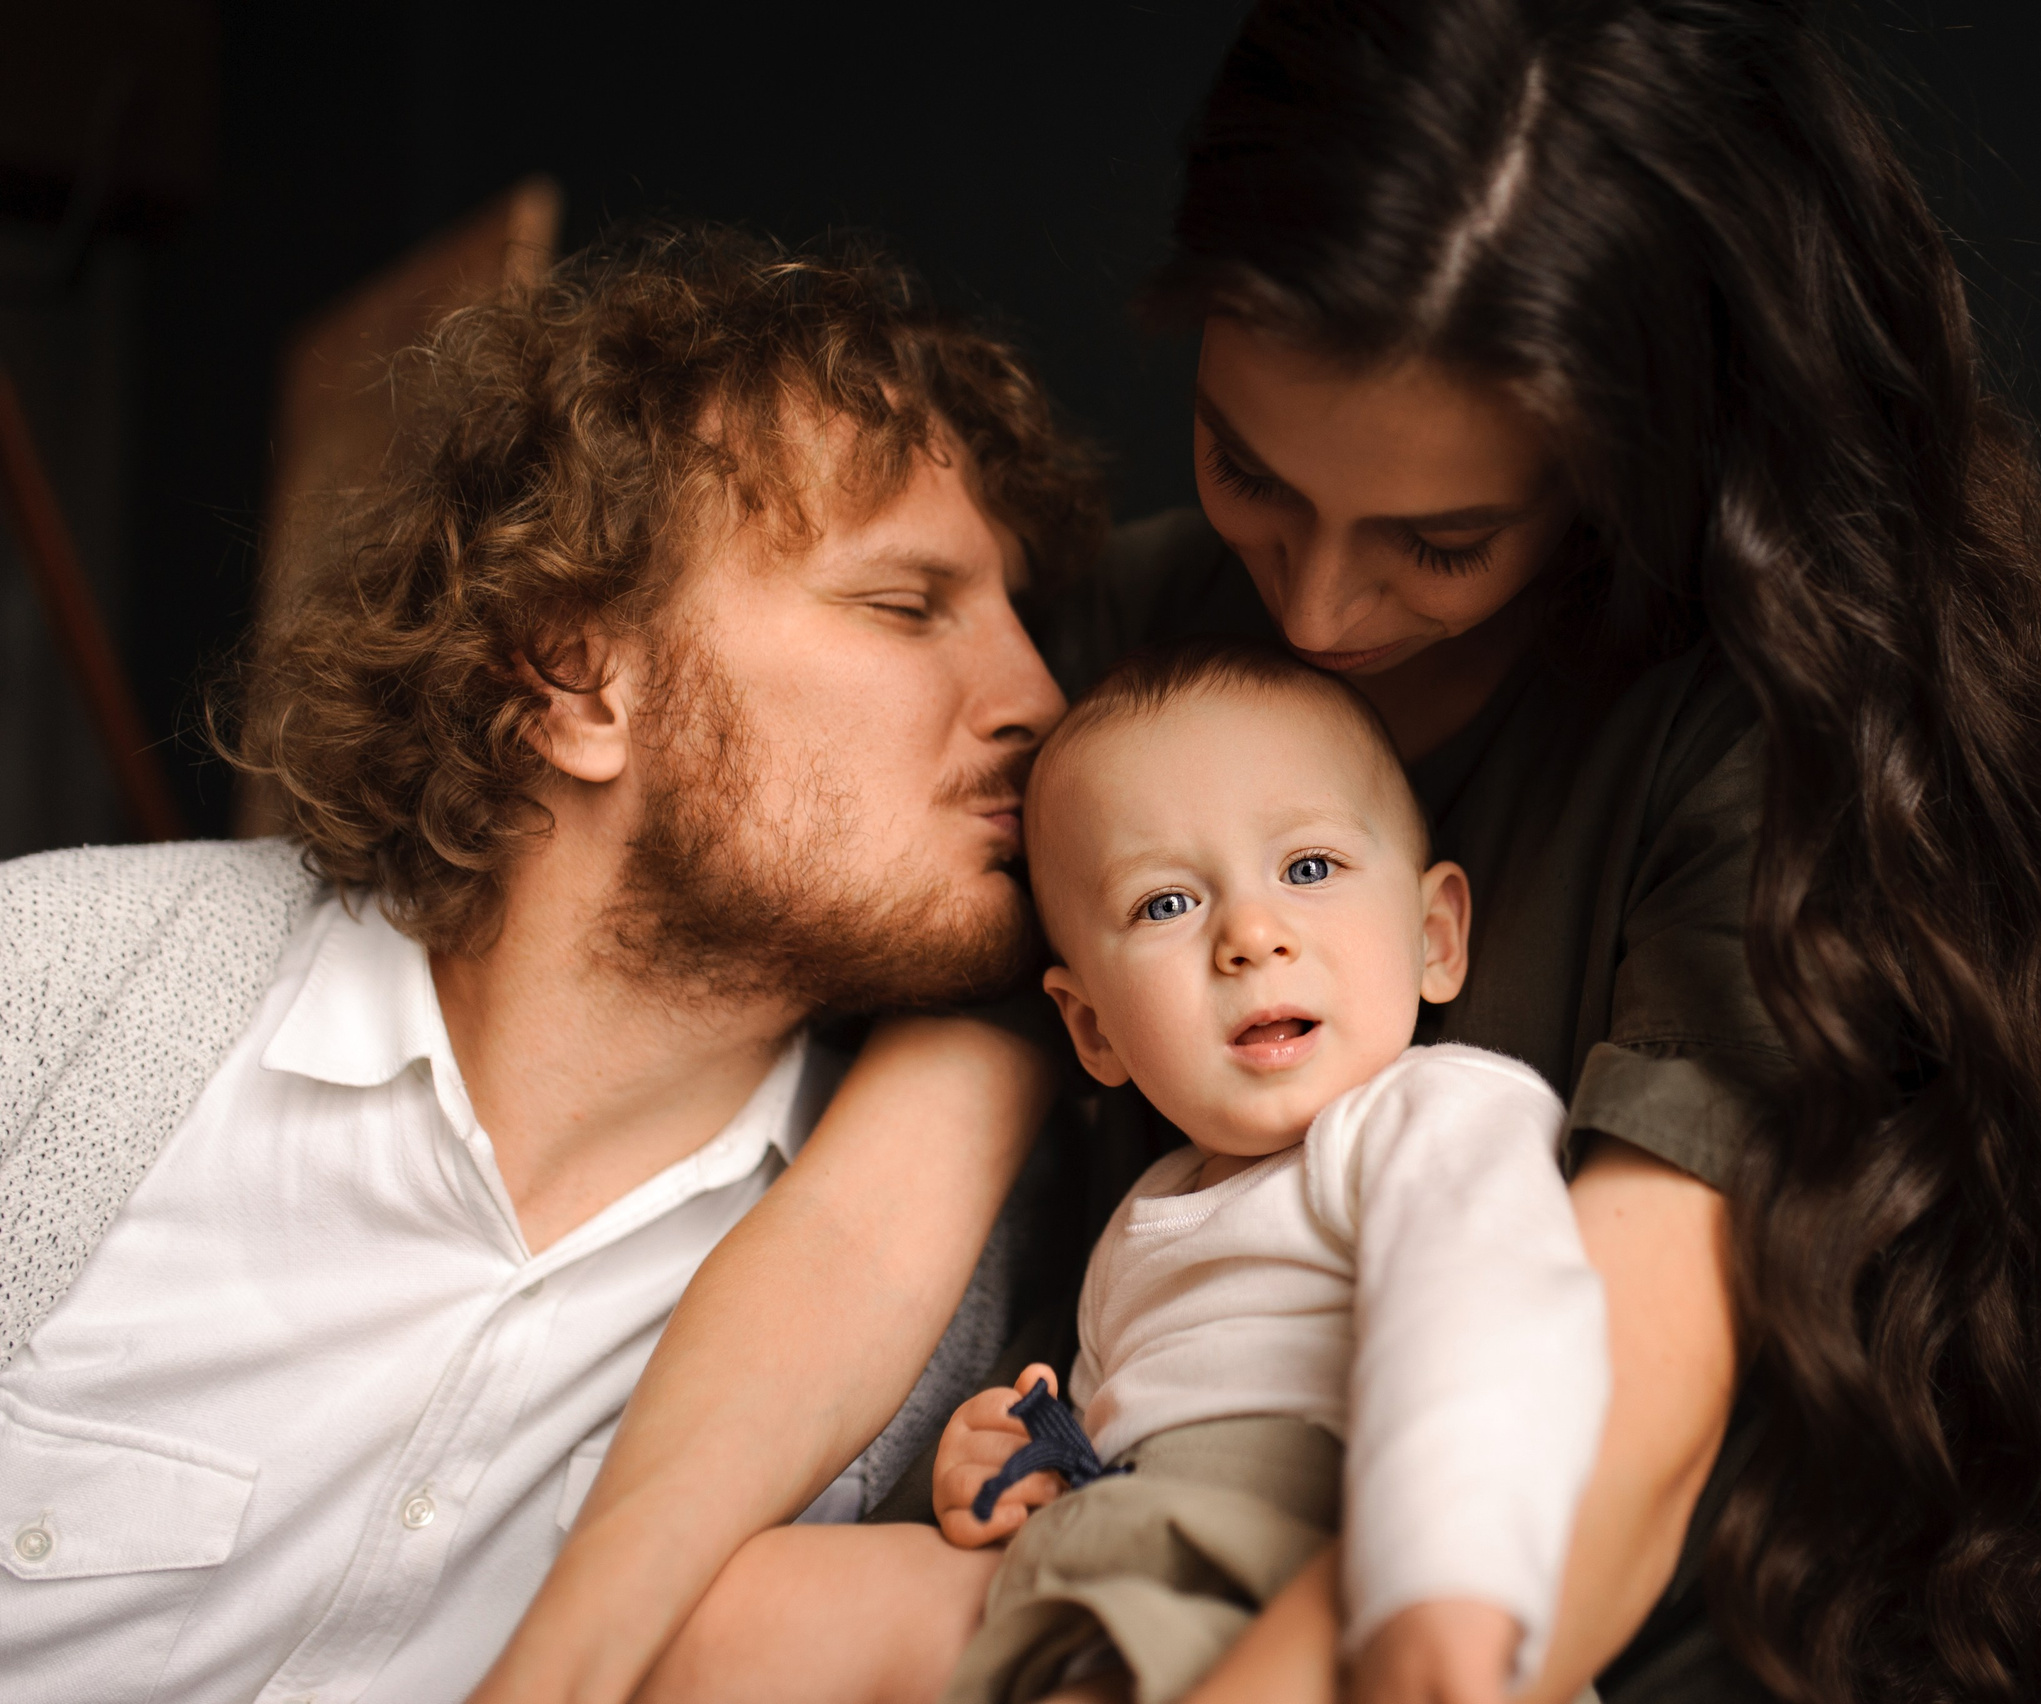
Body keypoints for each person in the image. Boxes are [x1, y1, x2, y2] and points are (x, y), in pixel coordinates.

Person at [483, 3, 2041, 1701]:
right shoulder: (1126, 647)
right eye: (1247, 468)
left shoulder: (1761, 746)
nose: (1313, 605)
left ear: (1625, 463)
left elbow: (1614, 1398)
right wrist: (566, 1658)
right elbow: (879, 1212)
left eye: (1442, 539)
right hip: (1129, 1538)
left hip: (1522, 1607)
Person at [0, 225, 1105, 1700]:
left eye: (1021, 618)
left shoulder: (979, 1304)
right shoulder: (52, 995)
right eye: (906, 607)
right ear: (583, 679)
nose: (1036, 697)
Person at [644, 639, 1612, 1704]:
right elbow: (1115, 1418)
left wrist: (1446, 1587)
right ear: (1092, 1027)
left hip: (1309, 1549)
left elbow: (1483, 1318)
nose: (1250, 934)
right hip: (1111, 1539)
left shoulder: (1430, 1111)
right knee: (733, 1622)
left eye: (1308, 869)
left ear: (1434, 936)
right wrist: (1012, 1465)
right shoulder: (1148, 1212)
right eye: (1165, 905)